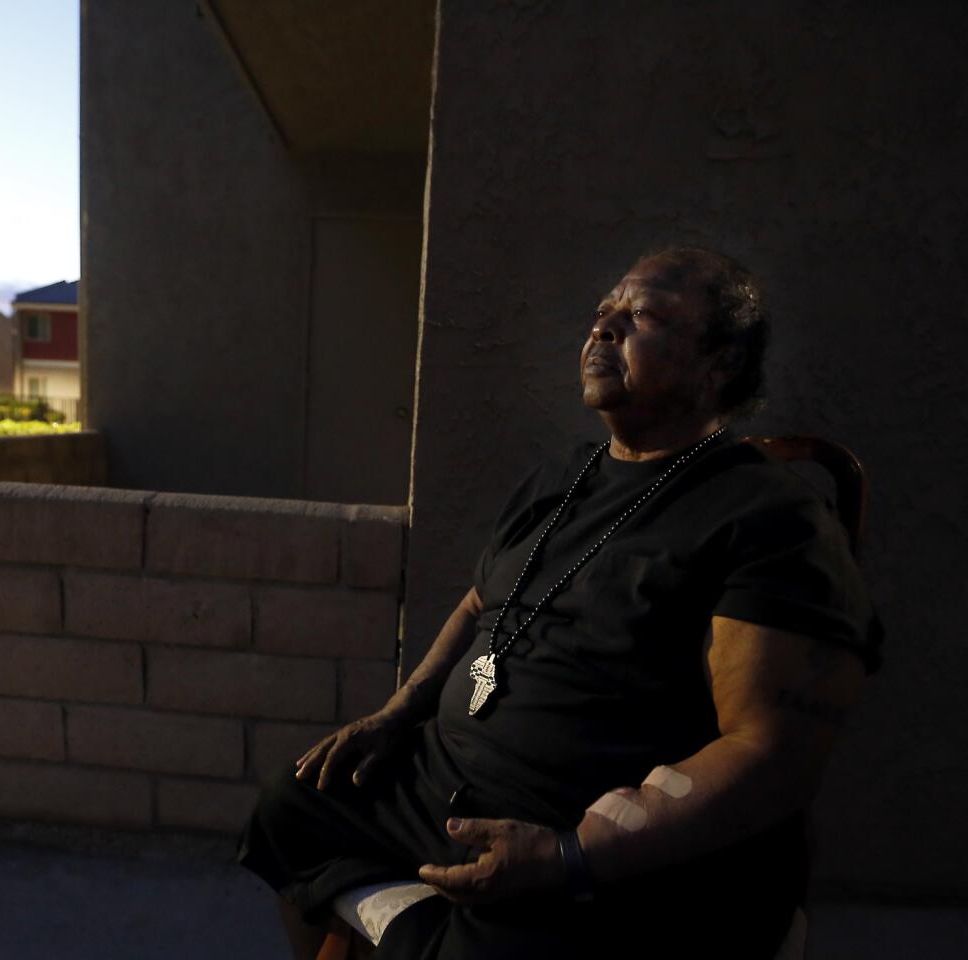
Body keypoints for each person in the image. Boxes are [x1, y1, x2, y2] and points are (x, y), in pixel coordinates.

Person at [237, 248, 883, 960]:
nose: (604, 328)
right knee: (293, 808)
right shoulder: (560, 479)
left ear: (720, 362)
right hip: (444, 783)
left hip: (598, 837)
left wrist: (571, 856)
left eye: (641, 314)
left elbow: (770, 756)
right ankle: (428, 935)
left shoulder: (766, 516)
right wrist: (399, 713)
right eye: (602, 312)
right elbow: (480, 603)